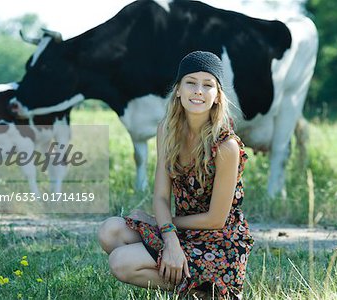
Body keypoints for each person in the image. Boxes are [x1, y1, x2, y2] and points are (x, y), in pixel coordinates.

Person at [98, 51, 254, 299]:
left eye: (208, 85)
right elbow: (160, 195)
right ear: (178, 90)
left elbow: (216, 219)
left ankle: (206, 290)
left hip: (218, 244)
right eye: (191, 82)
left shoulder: (226, 146)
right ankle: (190, 284)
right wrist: (169, 237)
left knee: (121, 261)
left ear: (217, 97)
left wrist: (160, 223)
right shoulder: (167, 130)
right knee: (110, 231)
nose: (198, 91)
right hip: (180, 231)